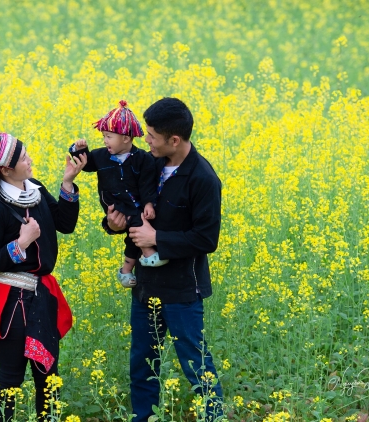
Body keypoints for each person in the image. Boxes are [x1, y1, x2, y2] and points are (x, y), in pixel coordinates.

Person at [106, 98, 224, 421]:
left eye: (152, 136)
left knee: (196, 365)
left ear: (175, 140)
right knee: (142, 364)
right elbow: (128, 205)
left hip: (183, 290)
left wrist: (156, 239)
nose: (146, 140)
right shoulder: (150, 164)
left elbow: (206, 239)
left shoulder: (203, 179)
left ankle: (214, 417)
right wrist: (112, 224)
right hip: (145, 286)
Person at [0, 133, 87, 421]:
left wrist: (68, 182)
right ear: (8, 170)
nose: (30, 160)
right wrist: (21, 244)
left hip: (41, 298)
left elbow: (65, 223)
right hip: (11, 303)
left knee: (49, 377)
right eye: (24, 158)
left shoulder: (34, 188)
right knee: (10, 379)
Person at [69, 100, 164, 289]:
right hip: (114, 204)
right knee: (137, 225)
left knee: (133, 233)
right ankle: (148, 253)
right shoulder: (100, 155)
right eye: (104, 136)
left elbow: (147, 184)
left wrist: (148, 204)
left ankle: (126, 271)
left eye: (109, 136)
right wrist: (79, 150)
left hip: (135, 204)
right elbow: (86, 164)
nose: (105, 141)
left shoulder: (143, 159)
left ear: (126, 138)